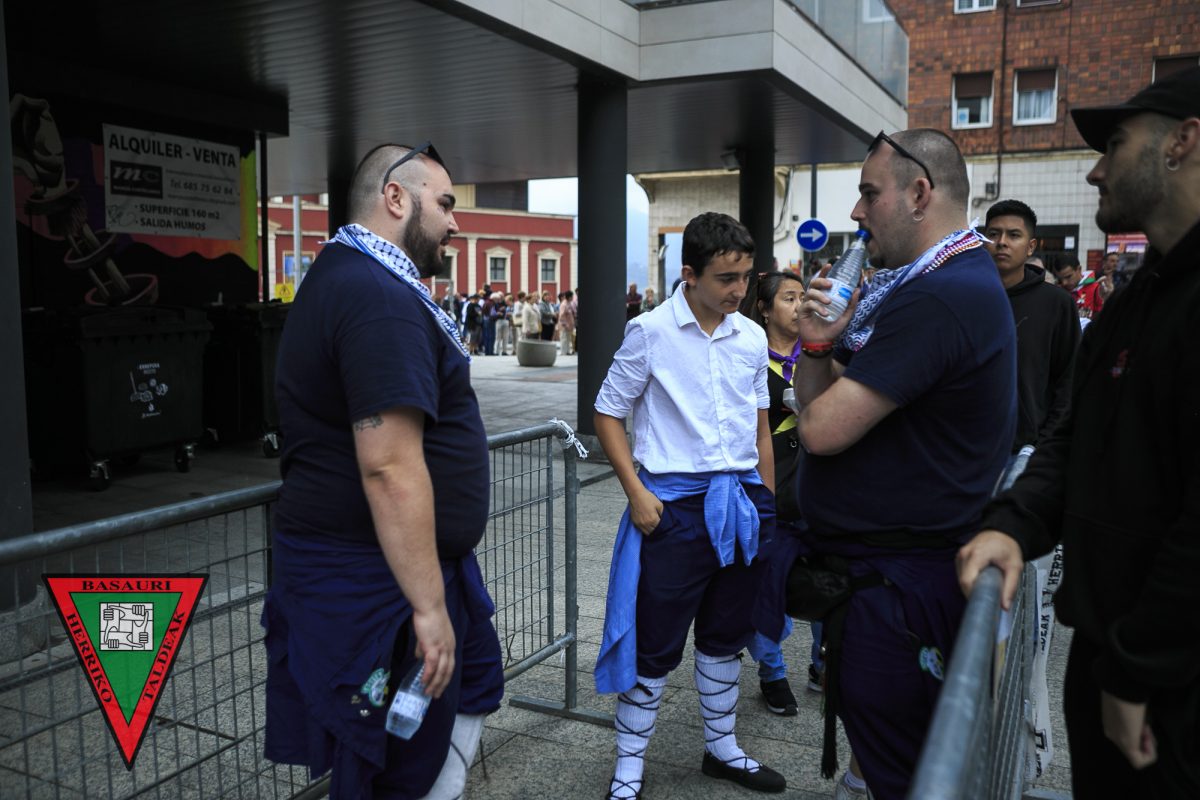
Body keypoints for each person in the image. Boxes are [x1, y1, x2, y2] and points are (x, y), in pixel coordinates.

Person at [958, 65, 1200, 800]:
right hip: (1108, 658)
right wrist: (1013, 524)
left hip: (1168, 685)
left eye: (1115, 144)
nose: (1095, 170)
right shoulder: (1137, 297)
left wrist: (1137, 670)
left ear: (1183, 143)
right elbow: (1074, 434)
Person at [264, 142, 504, 799]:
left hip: (400, 567)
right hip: (375, 581)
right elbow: (389, 466)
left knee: (473, 684)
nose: (456, 221)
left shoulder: (363, 277)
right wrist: (428, 607)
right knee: (394, 760)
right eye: (445, 204)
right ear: (396, 198)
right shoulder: (376, 296)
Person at [791, 129, 1016, 799]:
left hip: (902, 591)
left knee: (904, 770)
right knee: (889, 758)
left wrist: (818, 363)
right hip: (888, 579)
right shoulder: (923, 284)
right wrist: (817, 347)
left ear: (919, 194)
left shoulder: (940, 295)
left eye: (868, 193)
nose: (856, 212)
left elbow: (820, 430)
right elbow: (825, 397)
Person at [593, 212, 785, 799]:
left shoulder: (751, 337)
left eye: (746, 277)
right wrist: (637, 494)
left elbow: (760, 428)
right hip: (673, 510)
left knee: (726, 635)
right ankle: (629, 767)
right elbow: (607, 412)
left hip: (742, 507)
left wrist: (767, 502)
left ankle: (722, 749)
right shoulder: (650, 331)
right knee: (654, 643)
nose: (739, 290)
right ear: (690, 274)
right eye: (727, 278)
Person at [745, 272, 806, 717]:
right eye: (789, 298)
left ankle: (824, 663)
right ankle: (773, 672)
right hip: (768, 484)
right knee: (766, 584)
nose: (800, 305)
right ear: (765, 309)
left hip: (820, 487)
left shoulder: (822, 354)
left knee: (833, 576)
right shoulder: (747, 356)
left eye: (804, 297)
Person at [983, 199, 1080, 452]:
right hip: (968, 447)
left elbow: (1069, 381)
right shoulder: (966, 297)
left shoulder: (1057, 304)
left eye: (1014, 235)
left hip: (1028, 449)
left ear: (1031, 247)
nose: (1002, 242)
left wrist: (1046, 443)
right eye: (993, 234)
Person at [1054, 255, 1106, 320]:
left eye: (1068, 277)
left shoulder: (1096, 288)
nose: (1064, 283)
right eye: (1060, 279)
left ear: (1079, 269)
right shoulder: (1057, 291)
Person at [557, 290, 576, 355]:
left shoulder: (569, 303)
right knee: (564, 339)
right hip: (564, 326)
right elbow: (561, 316)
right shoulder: (564, 304)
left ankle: (567, 351)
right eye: (572, 296)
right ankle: (563, 352)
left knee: (568, 339)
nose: (573, 298)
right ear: (569, 297)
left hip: (569, 326)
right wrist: (565, 324)